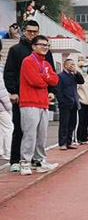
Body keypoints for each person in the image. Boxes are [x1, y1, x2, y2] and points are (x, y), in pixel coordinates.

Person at [3, 20, 56, 172]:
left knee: (40, 132)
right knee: (21, 129)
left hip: (41, 98)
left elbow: (52, 74)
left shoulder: (46, 53)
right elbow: (10, 72)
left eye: (35, 31)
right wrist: (13, 91)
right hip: (23, 96)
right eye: (30, 31)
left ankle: (37, 160)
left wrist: (51, 90)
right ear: (24, 31)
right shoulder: (16, 50)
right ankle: (16, 160)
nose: (32, 34)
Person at [18, 35, 59, 175]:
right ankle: (25, 162)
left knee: (42, 135)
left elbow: (55, 80)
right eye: (41, 44)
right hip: (29, 102)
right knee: (30, 134)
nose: (44, 47)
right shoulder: (28, 61)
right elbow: (35, 81)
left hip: (43, 103)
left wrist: (44, 78)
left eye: (46, 45)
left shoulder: (46, 64)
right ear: (33, 46)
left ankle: (39, 161)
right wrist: (46, 78)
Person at [56, 58, 84, 150]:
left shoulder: (74, 76)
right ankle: (62, 143)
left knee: (72, 123)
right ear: (65, 65)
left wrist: (77, 72)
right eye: (70, 64)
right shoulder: (60, 76)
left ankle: (69, 142)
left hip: (74, 102)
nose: (72, 66)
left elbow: (81, 81)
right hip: (65, 103)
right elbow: (58, 90)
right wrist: (62, 101)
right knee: (64, 123)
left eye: (73, 64)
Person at [0, 54, 12, 160]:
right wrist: (9, 106)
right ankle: (8, 152)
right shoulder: (0, 71)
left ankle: (1, 150)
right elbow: (2, 91)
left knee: (1, 128)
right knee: (8, 127)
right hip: (2, 106)